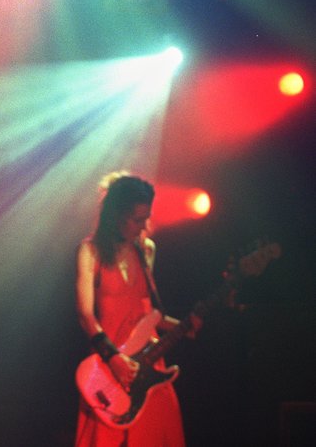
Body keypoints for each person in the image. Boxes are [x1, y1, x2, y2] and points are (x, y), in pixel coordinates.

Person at [74, 172, 197, 446]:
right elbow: (85, 315)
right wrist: (114, 360)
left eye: (146, 218)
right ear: (116, 215)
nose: (143, 227)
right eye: (137, 219)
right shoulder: (90, 251)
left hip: (148, 364)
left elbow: (149, 313)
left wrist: (184, 326)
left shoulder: (146, 250)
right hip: (108, 367)